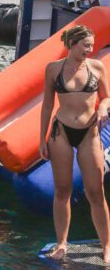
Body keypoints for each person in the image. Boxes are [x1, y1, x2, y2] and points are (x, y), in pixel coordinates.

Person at [39, 25, 110, 262]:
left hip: (89, 132)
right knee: (62, 190)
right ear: (72, 44)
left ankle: (107, 246)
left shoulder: (97, 67)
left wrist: (102, 106)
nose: (90, 49)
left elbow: (107, 97)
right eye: (85, 45)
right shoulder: (53, 69)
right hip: (61, 132)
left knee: (95, 192)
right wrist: (42, 139)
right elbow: (48, 105)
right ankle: (61, 244)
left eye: (91, 45)